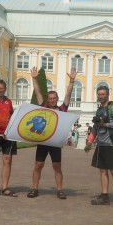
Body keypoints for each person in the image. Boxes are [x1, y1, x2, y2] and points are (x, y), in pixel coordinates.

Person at [27, 66, 77, 199]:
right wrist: (34, 79)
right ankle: (34, 188)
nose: (52, 100)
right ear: (48, 99)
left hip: (55, 143)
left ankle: (59, 190)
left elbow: (68, 94)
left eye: (54, 98)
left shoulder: (62, 109)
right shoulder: (43, 106)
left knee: (57, 166)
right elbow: (38, 92)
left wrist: (72, 81)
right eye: (50, 98)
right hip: (43, 142)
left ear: (57, 99)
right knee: (38, 165)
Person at [88, 86, 113, 207]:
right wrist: (89, 142)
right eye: (99, 94)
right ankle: (104, 196)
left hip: (111, 144)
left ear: (107, 94)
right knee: (102, 170)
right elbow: (96, 126)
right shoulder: (99, 110)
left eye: (103, 94)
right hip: (101, 144)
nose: (100, 96)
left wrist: (106, 125)